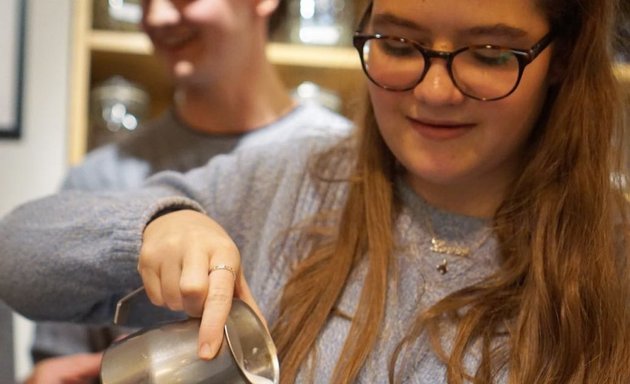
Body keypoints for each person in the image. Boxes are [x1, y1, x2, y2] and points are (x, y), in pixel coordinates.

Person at [1, 0, 629, 382]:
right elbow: (18, 252)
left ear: (563, 61)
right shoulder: (291, 181)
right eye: (399, 44)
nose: (435, 92)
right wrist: (157, 227)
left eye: (490, 54)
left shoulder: (614, 255)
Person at [23, 0, 351, 382]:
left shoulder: (351, 170)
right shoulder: (101, 179)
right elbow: (59, 357)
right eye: (143, 1)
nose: (156, 17)